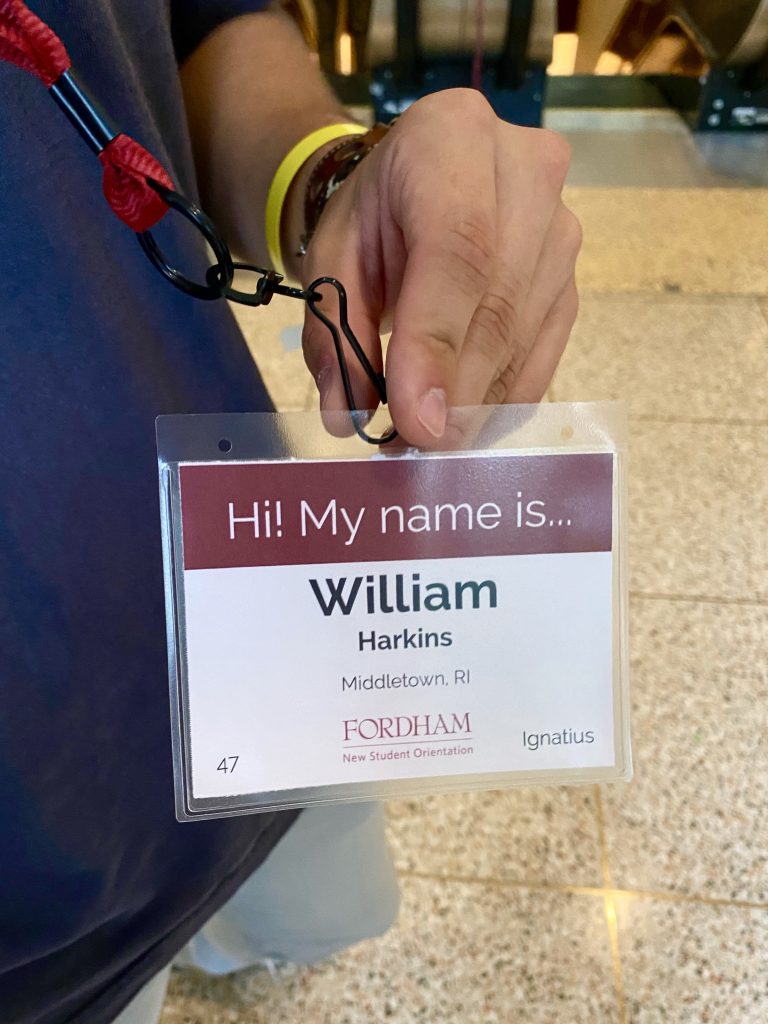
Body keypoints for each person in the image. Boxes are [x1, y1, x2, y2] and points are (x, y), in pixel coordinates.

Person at [0, 2, 581, 1023]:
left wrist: (331, 181)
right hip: (34, 927)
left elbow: (181, 24)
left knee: (321, 905)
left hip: (265, 626)